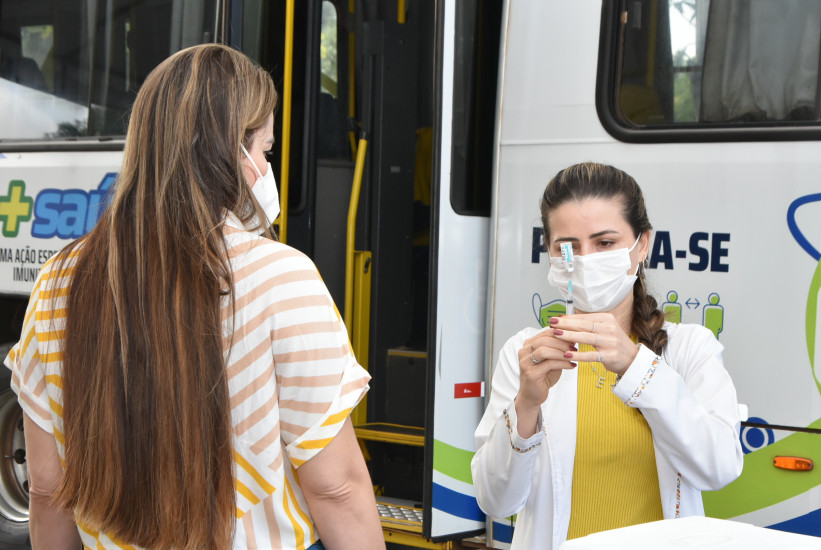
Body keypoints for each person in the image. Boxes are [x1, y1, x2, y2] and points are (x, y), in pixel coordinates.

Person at [3, 44, 385, 550]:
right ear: (232, 152)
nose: (266, 170)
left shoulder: (56, 283)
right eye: (266, 151)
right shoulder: (284, 278)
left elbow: (49, 492)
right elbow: (336, 489)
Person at [471, 162, 743, 550]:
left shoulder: (687, 349)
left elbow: (719, 467)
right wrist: (526, 403)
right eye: (568, 247)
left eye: (604, 243)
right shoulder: (528, 354)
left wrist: (636, 365)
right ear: (549, 253)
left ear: (642, 244)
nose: (585, 260)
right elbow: (496, 501)